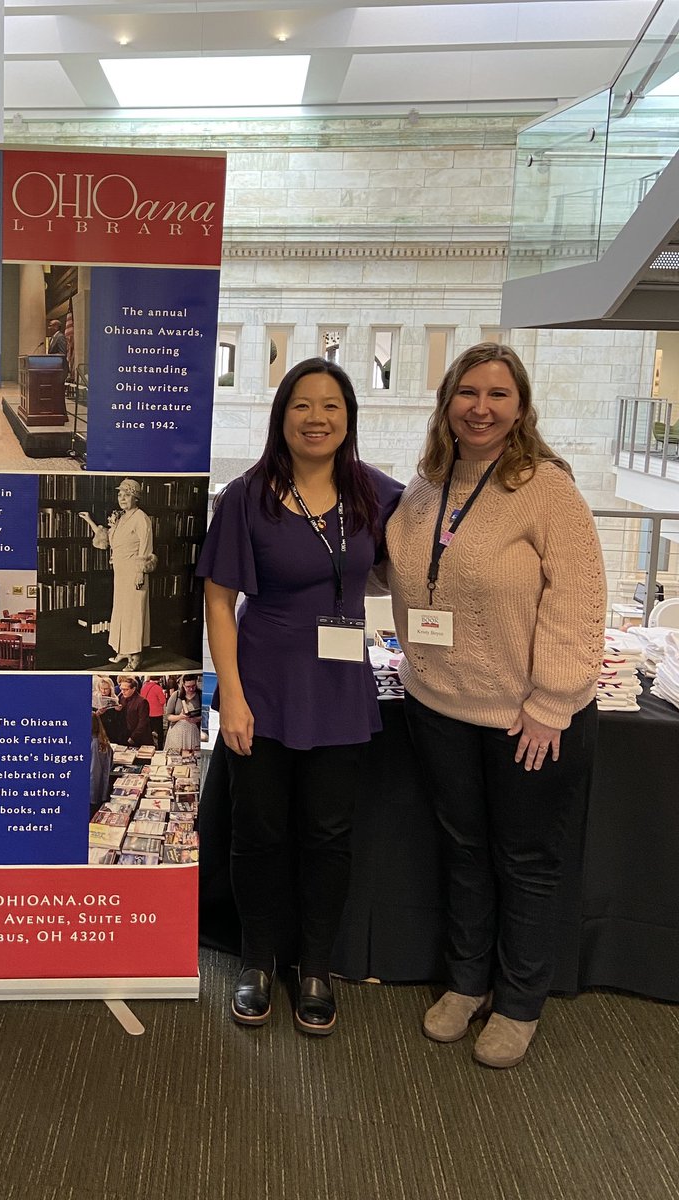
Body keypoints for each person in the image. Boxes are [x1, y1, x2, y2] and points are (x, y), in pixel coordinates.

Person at [385, 342, 605, 1070]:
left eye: (497, 395)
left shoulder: (547, 489)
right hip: (437, 704)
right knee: (464, 852)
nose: (481, 407)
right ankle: (468, 980)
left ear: (520, 407)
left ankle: (518, 1001)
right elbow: (410, 571)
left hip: (525, 719)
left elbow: (579, 600)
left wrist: (553, 701)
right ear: (447, 403)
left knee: (527, 860)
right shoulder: (427, 484)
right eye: (467, 392)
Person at [198, 357, 402, 1035]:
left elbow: (442, 540)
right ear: (281, 417)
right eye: (303, 406)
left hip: (340, 685)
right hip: (264, 681)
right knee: (258, 831)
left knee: (328, 833)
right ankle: (258, 961)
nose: (317, 419)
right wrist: (231, 694)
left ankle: (314, 965)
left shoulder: (377, 493)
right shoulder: (247, 495)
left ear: (349, 419)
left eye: (332, 407)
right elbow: (221, 602)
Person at [78, 479, 155, 671]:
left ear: (136, 497)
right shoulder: (120, 518)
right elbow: (107, 541)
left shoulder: (141, 518)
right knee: (121, 611)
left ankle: (135, 657)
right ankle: (123, 650)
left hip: (134, 573)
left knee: (133, 615)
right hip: (120, 573)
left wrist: (140, 574)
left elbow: (146, 549)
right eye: (120, 495)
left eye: (127, 495)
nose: (122, 498)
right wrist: (90, 521)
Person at [163, 674, 202, 751]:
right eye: (188, 687)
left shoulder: (200, 695)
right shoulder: (176, 695)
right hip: (176, 732)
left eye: (193, 686)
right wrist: (180, 717)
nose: (191, 689)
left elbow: (205, 715)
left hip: (192, 732)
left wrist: (196, 719)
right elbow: (168, 716)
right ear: (183, 685)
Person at [113, 673, 152, 747]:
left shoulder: (142, 701)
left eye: (126, 689)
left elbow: (143, 722)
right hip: (125, 735)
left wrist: (133, 737)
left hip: (139, 738)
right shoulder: (121, 697)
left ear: (133, 689)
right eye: (121, 689)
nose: (123, 692)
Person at [140, 674, 167, 746]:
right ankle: (160, 747)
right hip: (157, 713)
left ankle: (149, 746)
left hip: (147, 712)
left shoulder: (144, 687)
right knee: (160, 732)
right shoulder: (158, 688)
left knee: (148, 731)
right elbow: (163, 701)